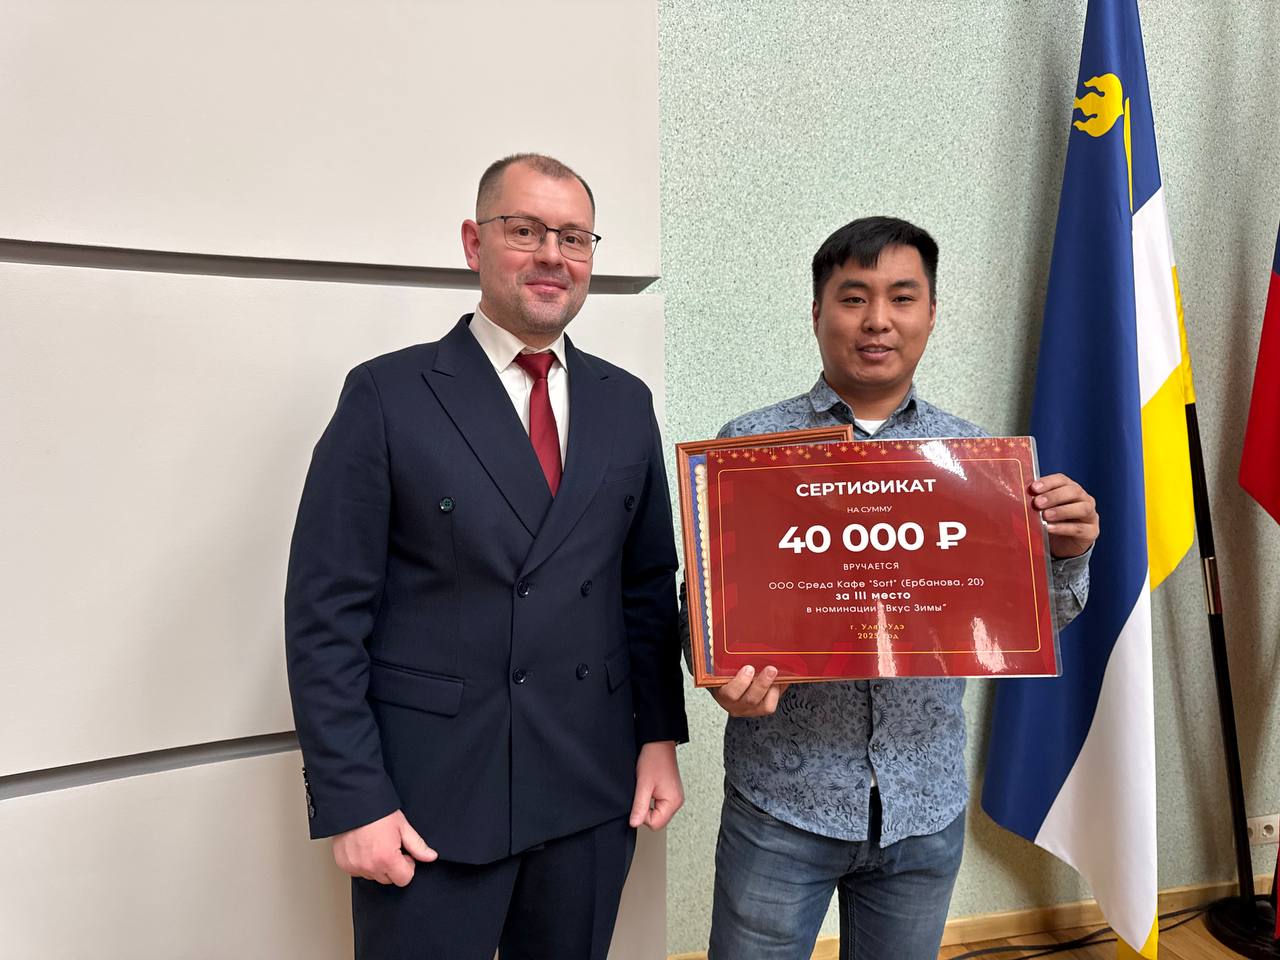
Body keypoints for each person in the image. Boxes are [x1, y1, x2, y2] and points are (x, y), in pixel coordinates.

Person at [285, 153, 688, 960]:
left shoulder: (624, 401)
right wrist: (354, 798)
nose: (552, 255)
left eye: (574, 237)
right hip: (430, 802)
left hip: (589, 790)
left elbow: (644, 589)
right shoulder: (388, 396)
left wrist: (658, 739)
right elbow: (325, 617)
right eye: (525, 230)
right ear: (475, 242)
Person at [694, 216, 1099, 960]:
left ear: (931, 314)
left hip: (924, 805)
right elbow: (706, 608)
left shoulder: (976, 461)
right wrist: (718, 675)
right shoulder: (750, 449)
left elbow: (1024, 623)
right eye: (853, 297)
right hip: (782, 802)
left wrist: (1068, 553)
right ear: (817, 312)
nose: (877, 320)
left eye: (902, 297)